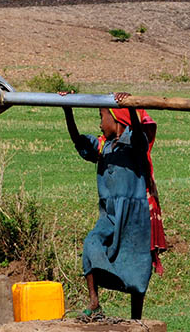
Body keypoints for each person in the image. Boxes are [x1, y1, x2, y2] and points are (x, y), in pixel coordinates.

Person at [63, 93, 166, 319]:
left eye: (102, 117)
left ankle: (136, 318)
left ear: (118, 120)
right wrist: (67, 109)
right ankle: (94, 301)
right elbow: (77, 139)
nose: (100, 124)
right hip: (109, 215)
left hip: (134, 216)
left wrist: (129, 108)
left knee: (138, 264)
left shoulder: (134, 144)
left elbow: (137, 131)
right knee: (91, 243)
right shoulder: (103, 146)